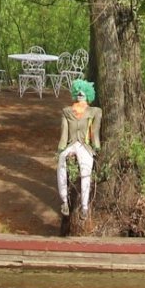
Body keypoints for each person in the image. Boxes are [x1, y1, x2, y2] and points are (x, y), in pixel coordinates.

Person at [57, 78, 99, 218]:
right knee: (61, 164)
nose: (80, 94)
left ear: (88, 94)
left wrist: (96, 145)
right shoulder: (67, 111)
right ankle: (64, 201)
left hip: (85, 145)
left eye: (83, 92)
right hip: (71, 144)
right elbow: (64, 131)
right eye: (78, 92)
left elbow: (95, 131)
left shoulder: (94, 111)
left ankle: (85, 207)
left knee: (86, 170)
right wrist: (61, 148)